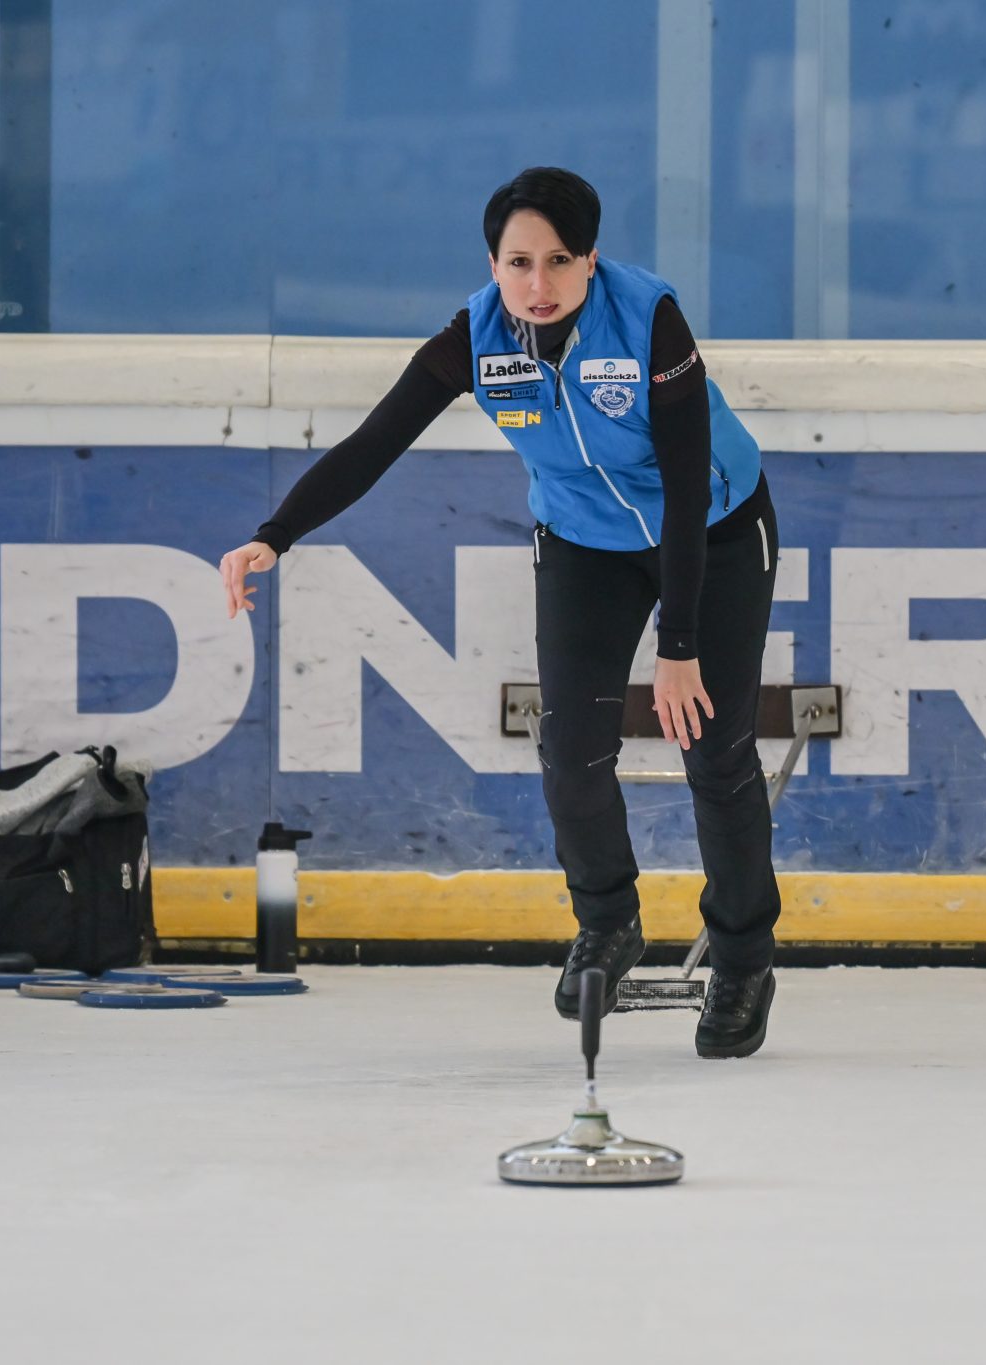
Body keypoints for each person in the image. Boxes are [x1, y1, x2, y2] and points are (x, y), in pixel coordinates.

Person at [220, 167, 780, 1058]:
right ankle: (608, 922)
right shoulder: (478, 335)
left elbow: (681, 480)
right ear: (492, 262)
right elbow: (377, 442)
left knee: (714, 750)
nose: (539, 284)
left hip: (708, 528)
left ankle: (745, 959)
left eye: (560, 260)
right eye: (519, 261)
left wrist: (679, 642)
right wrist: (274, 535)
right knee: (570, 749)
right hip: (584, 543)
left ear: (592, 260)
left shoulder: (648, 318)